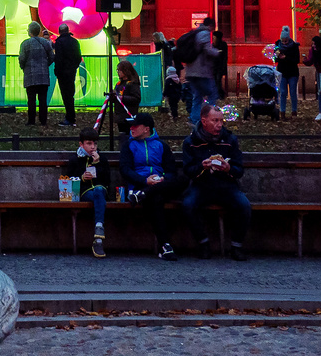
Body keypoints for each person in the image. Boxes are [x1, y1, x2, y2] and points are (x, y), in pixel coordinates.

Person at [180, 104, 250, 259]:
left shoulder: (230, 140)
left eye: (221, 120)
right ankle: (203, 244)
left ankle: (236, 246)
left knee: (244, 205)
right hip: (201, 186)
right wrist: (201, 167)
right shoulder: (190, 142)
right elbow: (188, 171)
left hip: (226, 186)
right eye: (215, 120)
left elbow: (239, 170)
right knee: (188, 205)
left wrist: (228, 168)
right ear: (204, 121)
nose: (219, 125)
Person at [120, 112, 182, 260]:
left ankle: (144, 194)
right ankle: (165, 245)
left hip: (160, 185)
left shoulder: (161, 146)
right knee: (156, 199)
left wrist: (161, 179)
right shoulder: (128, 145)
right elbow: (125, 170)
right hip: (140, 186)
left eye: (135, 126)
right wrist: (145, 181)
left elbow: (171, 171)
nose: (131, 129)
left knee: (183, 179)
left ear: (146, 129)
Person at [62, 128, 112, 257]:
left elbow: (107, 180)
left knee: (99, 190)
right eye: (89, 143)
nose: (93, 147)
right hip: (84, 192)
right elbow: (68, 179)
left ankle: (99, 232)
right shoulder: (75, 160)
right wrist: (82, 178)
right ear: (81, 144)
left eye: (95, 144)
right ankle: (99, 232)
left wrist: (98, 164)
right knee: (97, 193)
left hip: (100, 192)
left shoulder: (102, 159)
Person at [180, 18, 220, 124]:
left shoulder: (194, 33)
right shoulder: (205, 34)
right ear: (211, 26)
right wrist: (217, 52)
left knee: (197, 96)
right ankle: (208, 116)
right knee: (212, 94)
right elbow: (208, 50)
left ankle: (194, 119)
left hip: (191, 71)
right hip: (201, 72)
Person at [18, 21, 53, 126]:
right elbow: (52, 56)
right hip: (43, 76)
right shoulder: (45, 43)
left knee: (31, 99)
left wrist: (23, 67)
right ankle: (43, 120)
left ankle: (31, 120)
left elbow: (22, 58)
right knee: (43, 99)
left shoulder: (25, 44)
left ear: (30, 32)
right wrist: (45, 65)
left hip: (30, 75)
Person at [52, 24, 82, 126]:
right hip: (71, 72)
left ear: (60, 31)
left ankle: (69, 118)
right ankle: (71, 117)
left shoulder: (59, 42)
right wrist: (73, 67)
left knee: (66, 95)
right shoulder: (74, 41)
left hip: (62, 73)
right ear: (68, 30)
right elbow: (78, 57)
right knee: (70, 95)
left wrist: (57, 71)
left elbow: (58, 58)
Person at [273, 27, 301, 117]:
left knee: (293, 92)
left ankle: (294, 111)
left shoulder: (294, 46)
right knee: (283, 92)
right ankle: (282, 111)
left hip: (292, 72)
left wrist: (286, 58)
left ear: (288, 39)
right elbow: (275, 58)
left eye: (285, 41)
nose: (284, 42)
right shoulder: (278, 45)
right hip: (282, 72)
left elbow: (297, 60)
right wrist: (277, 57)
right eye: (283, 41)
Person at [212, 29, 229, 100]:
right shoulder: (212, 45)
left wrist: (223, 67)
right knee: (215, 81)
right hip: (213, 67)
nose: (213, 40)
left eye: (214, 38)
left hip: (220, 67)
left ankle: (220, 94)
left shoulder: (223, 45)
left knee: (218, 81)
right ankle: (219, 94)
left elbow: (224, 57)